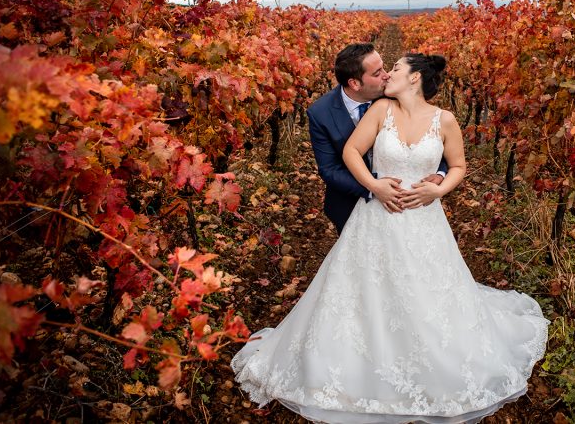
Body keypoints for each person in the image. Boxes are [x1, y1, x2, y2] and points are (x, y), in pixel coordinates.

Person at [232, 52, 549, 423]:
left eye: (395, 68)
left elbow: (459, 165)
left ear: (414, 78)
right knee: (362, 289)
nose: (387, 75)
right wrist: (374, 187)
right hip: (377, 216)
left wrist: (439, 189)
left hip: (424, 219)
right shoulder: (381, 109)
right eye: (383, 69)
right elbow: (351, 151)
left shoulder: (445, 120)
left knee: (428, 290)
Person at [305, 42, 447, 233]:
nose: (387, 75)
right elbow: (330, 169)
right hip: (351, 202)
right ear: (354, 83)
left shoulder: (397, 94)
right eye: (377, 73)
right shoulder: (320, 113)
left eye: (384, 67)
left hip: (410, 201)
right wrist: (374, 187)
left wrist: (440, 174)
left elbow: (433, 137)